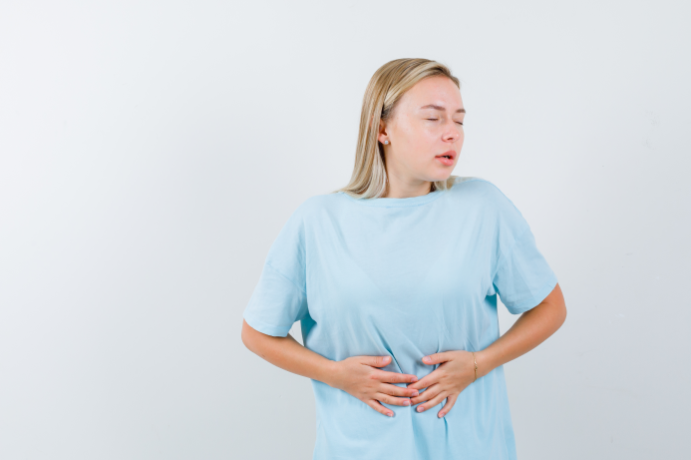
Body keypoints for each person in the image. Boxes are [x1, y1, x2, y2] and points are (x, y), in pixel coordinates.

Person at [241, 58, 567, 459]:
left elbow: (550, 307)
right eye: (433, 118)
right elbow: (257, 332)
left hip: (469, 446)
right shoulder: (318, 221)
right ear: (382, 129)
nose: (452, 133)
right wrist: (336, 374)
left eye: (459, 120)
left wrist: (478, 364)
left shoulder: (483, 208)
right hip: (359, 448)